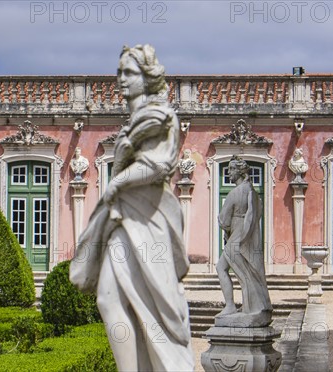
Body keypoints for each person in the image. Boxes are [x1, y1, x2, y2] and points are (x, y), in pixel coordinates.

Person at [70, 44, 194, 371]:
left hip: (149, 220)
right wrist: (121, 169)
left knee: (159, 303)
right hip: (123, 219)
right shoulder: (135, 121)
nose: (121, 79)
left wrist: (118, 181)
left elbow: (159, 165)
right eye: (119, 72)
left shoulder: (160, 116)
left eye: (129, 72)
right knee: (108, 298)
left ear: (146, 76)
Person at [216, 157, 273, 327]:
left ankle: (230, 306)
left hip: (236, 236)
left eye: (231, 170)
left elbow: (224, 220)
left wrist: (225, 225)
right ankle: (254, 305)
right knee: (248, 272)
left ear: (239, 171)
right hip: (248, 236)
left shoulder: (235, 193)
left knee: (222, 268)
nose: (229, 173)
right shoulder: (251, 191)